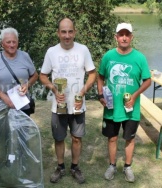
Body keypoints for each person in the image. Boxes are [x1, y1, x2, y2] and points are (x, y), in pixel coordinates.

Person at [39, 17, 97, 184]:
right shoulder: (51, 52)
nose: (67, 35)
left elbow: (92, 73)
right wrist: (54, 89)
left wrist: (83, 93)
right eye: (63, 32)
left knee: (77, 137)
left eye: (70, 31)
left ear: (75, 32)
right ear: (58, 33)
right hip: (59, 104)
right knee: (59, 138)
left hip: (78, 104)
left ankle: (75, 167)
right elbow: (43, 76)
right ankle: (60, 167)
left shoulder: (83, 50)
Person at [97, 23, 151, 183]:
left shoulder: (140, 58)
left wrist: (134, 96)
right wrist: (101, 94)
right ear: (116, 37)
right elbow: (100, 77)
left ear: (131, 37)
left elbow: (147, 80)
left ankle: (127, 166)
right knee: (112, 138)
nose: (124, 37)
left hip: (130, 108)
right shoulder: (108, 56)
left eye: (127, 34)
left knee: (130, 139)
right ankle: (112, 166)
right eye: (121, 34)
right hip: (112, 108)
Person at [0, 27, 38, 115]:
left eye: (14, 42)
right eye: (8, 42)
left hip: (23, 104)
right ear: (2, 44)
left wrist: (27, 85)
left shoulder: (25, 56)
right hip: (1, 105)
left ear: (18, 42)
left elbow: (35, 75)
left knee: (23, 128)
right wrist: (4, 97)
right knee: (4, 129)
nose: (12, 45)